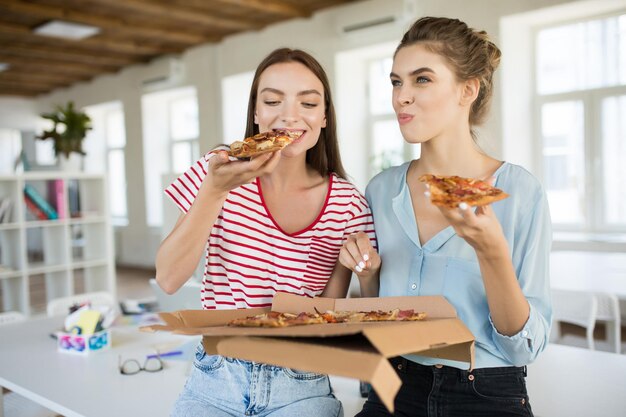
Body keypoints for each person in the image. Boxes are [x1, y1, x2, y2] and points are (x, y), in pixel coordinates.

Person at [339, 17, 552, 417]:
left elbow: (523, 346)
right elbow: (380, 321)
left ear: (467, 90)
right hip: (393, 386)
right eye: (395, 82)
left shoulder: (520, 192)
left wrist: (491, 251)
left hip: (484, 393)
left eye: (421, 80)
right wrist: (368, 275)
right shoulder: (381, 191)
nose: (401, 96)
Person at [155, 47, 376, 417]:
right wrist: (214, 190)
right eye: (273, 100)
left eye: (308, 103)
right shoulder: (218, 170)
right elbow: (168, 279)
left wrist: (364, 272)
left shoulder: (347, 204)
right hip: (216, 377)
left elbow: (328, 320)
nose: (289, 116)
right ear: (256, 113)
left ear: (324, 117)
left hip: (301, 382)